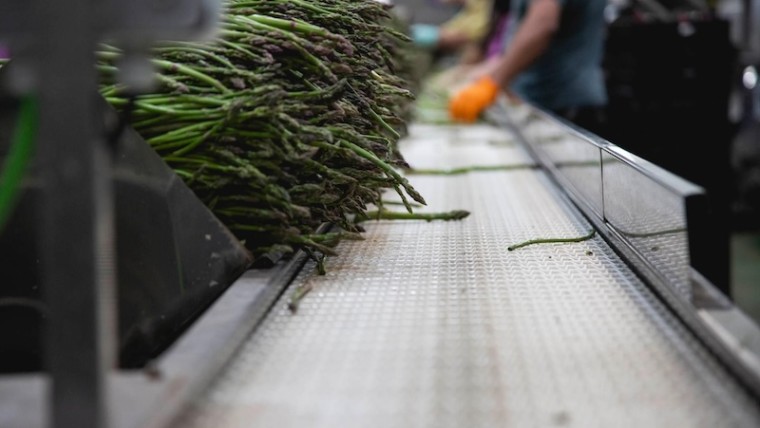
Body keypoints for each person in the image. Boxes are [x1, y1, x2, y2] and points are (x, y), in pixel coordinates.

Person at [448, 0, 608, 134]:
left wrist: (492, 83)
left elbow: (542, 24)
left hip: (561, 103)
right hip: (551, 100)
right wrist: (484, 72)